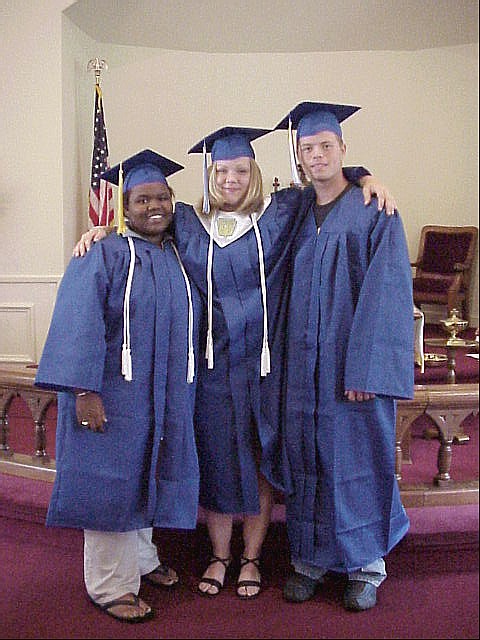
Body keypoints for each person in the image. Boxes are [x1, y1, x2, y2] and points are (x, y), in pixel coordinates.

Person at [73, 127, 396, 600]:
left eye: (241, 170)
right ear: (210, 174)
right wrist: (106, 230)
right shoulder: (188, 222)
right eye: (222, 170)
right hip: (212, 369)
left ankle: (258, 559)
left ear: (254, 173)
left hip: (268, 368)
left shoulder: (282, 211)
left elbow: (330, 184)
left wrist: (365, 177)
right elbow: (146, 224)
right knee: (218, 459)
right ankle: (222, 555)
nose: (230, 179)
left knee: (267, 458)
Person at [34, 150, 202, 623]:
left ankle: (143, 559)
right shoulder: (101, 253)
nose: (155, 206)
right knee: (111, 482)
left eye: (162, 197)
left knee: (150, 470)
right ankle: (110, 585)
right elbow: (78, 322)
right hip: (112, 394)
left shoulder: (177, 254)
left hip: (163, 393)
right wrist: (82, 392)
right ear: (124, 208)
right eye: (142, 199)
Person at [274, 102, 414, 611]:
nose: (317, 156)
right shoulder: (293, 212)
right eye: (307, 148)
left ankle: (365, 565)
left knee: (358, 458)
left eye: (326, 146)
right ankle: (310, 560)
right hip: (301, 369)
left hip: (350, 370)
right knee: (307, 456)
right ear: (298, 155)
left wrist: (367, 371)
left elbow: (388, 294)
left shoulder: (376, 210)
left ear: (343, 149)